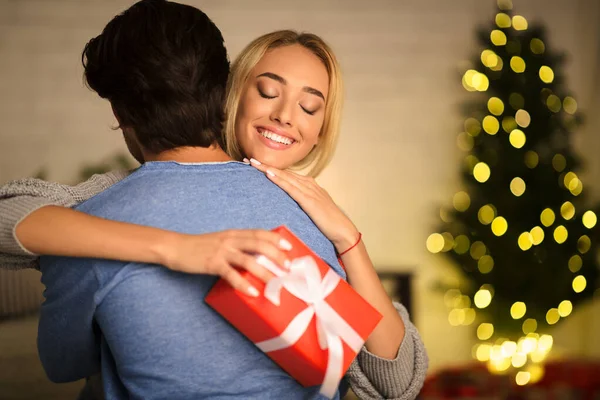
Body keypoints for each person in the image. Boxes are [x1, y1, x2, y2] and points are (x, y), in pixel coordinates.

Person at [0, 1, 427, 399]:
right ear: (229, 94)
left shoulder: (320, 217)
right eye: (268, 91)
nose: (284, 116)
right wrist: (177, 249)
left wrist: (349, 238)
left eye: (309, 107)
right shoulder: (110, 200)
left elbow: (394, 376)